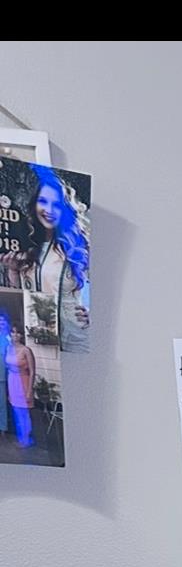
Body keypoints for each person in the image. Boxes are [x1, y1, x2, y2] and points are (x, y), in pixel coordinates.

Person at [5, 169, 89, 349]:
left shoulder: (77, 246)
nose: (49, 210)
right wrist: (12, 270)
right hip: (39, 337)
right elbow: (21, 297)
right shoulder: (27, 247)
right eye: (43, 201)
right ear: (35, 205)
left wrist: (92, 311)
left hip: (74, 339)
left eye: (56, 204)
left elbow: (97, 290)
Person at [0, 316, 35, 448]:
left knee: (23, 411)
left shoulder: (26, 350)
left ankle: (26, 439)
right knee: (15, 410)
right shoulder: (8, 348)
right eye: (13, 332)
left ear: (21, 335)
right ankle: (22, 437)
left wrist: (29, 390)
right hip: (11, 380)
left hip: (23, 381)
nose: (15, 335)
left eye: (18, 332)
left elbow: (32, 371)